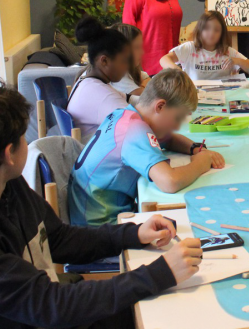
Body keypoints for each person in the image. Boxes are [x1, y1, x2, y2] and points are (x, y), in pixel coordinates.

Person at [0, 78, 203, 329]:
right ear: (8, 154)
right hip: (36, 316)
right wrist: (159, 273)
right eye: (22, 137)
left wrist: (133, 233)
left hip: (45, 306)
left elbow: (58, 239)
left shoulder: (0, 183)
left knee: (167, 306)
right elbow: (50, 306)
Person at [69, 70, 225, 226]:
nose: (177, 126)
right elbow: (170, 182)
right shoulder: (135, 130)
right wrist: (200, 163)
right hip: (101, 227)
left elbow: (167, 139)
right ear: (160, 106)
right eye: (177, 118)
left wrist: (195, 148)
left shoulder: (125, 115)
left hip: (88, 213)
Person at [67, 17, 131, 141]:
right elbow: (137, 126)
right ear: (104, 60)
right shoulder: (101, 95)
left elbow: (128, 98)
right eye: (124, 61)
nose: (127, 66)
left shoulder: (86, 82)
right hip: (94, 152)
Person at [160, 10, 249, 81]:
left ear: (222, 33)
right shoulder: (189, 48)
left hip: (223, 94)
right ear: (200, 30)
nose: (211, 33)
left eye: (216, 30)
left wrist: (237, 61)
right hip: (195, 95)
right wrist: (178, 71)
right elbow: (164, 59)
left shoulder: (227, 51)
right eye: (206, 28)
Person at [109, 23, 150, 97]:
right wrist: (143, 87)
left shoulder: (128, 70)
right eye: (137, 47)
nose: (142, 52)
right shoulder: (118, 75)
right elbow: (146, 96)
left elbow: (147, 78)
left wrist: (143, 86)